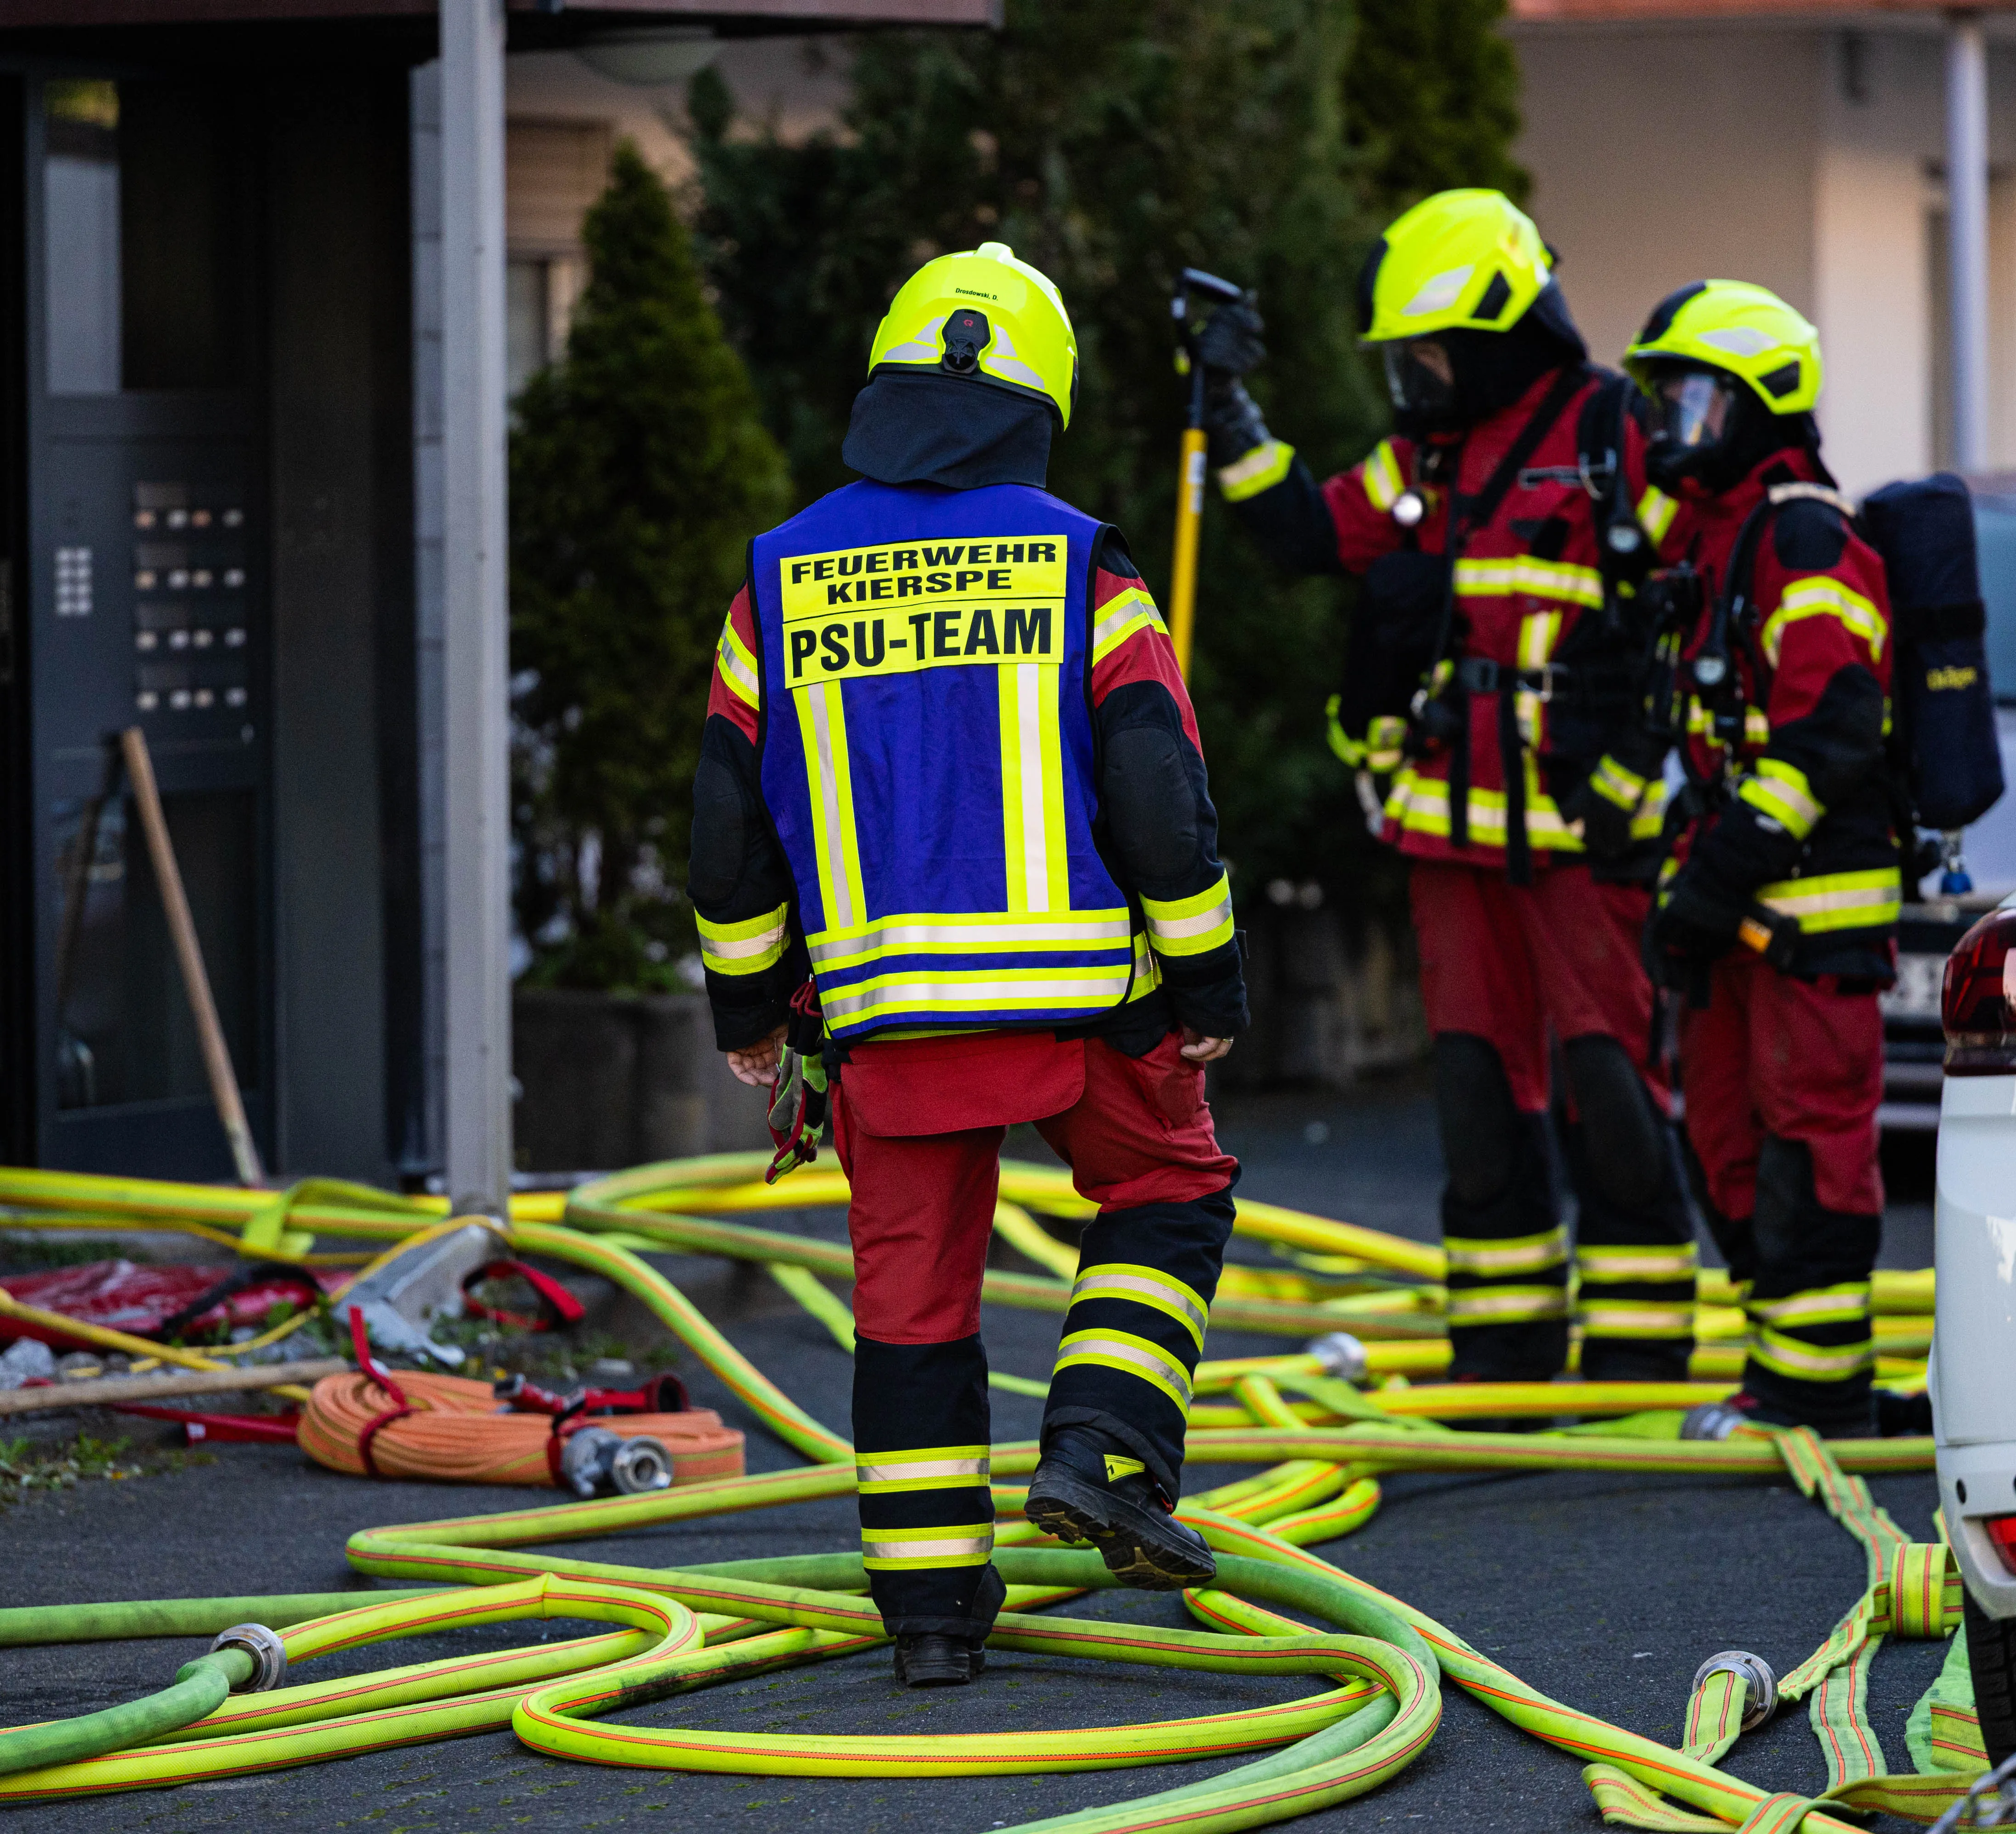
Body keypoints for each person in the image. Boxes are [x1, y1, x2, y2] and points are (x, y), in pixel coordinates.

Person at [687, 242, 1251, 1689]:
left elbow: (726, 827)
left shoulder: (776, 576)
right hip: (1086, 1006)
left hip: (886, 1025)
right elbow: (1160, 794)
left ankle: (933, 1620)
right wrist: (1208, 986)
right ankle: (1103, 1453)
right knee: (1170, 1188)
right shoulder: (1081, 559)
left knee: (913, 1305)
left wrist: (751, 1010)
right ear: (1038, 394)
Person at [1194, 190, 1696, 1386]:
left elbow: (1692, 597)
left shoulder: (1610, 432)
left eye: (1425, 351)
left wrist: (1640, 768)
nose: (1411, 376)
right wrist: (1226, 407)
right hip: (1448, 839)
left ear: (1493, 330)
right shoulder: (1425, 454)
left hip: (1584, 835)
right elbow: (1309, 532)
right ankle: (1507, 1349)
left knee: (1608, 1085)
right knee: (1478, 1092)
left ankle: (1639, 1356)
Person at [1622, 279, 1897, 1437]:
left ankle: (1819, 1390)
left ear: (1756, 404)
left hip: (1809, 920)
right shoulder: (1717, 540)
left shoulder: (1805, 536)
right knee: (1725, 1138)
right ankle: (1775, 1361)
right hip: (1738, 911)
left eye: (1690, 398)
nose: (1671, 425)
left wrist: (1723, 868)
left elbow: (1832, 720)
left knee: (1809, 1143)